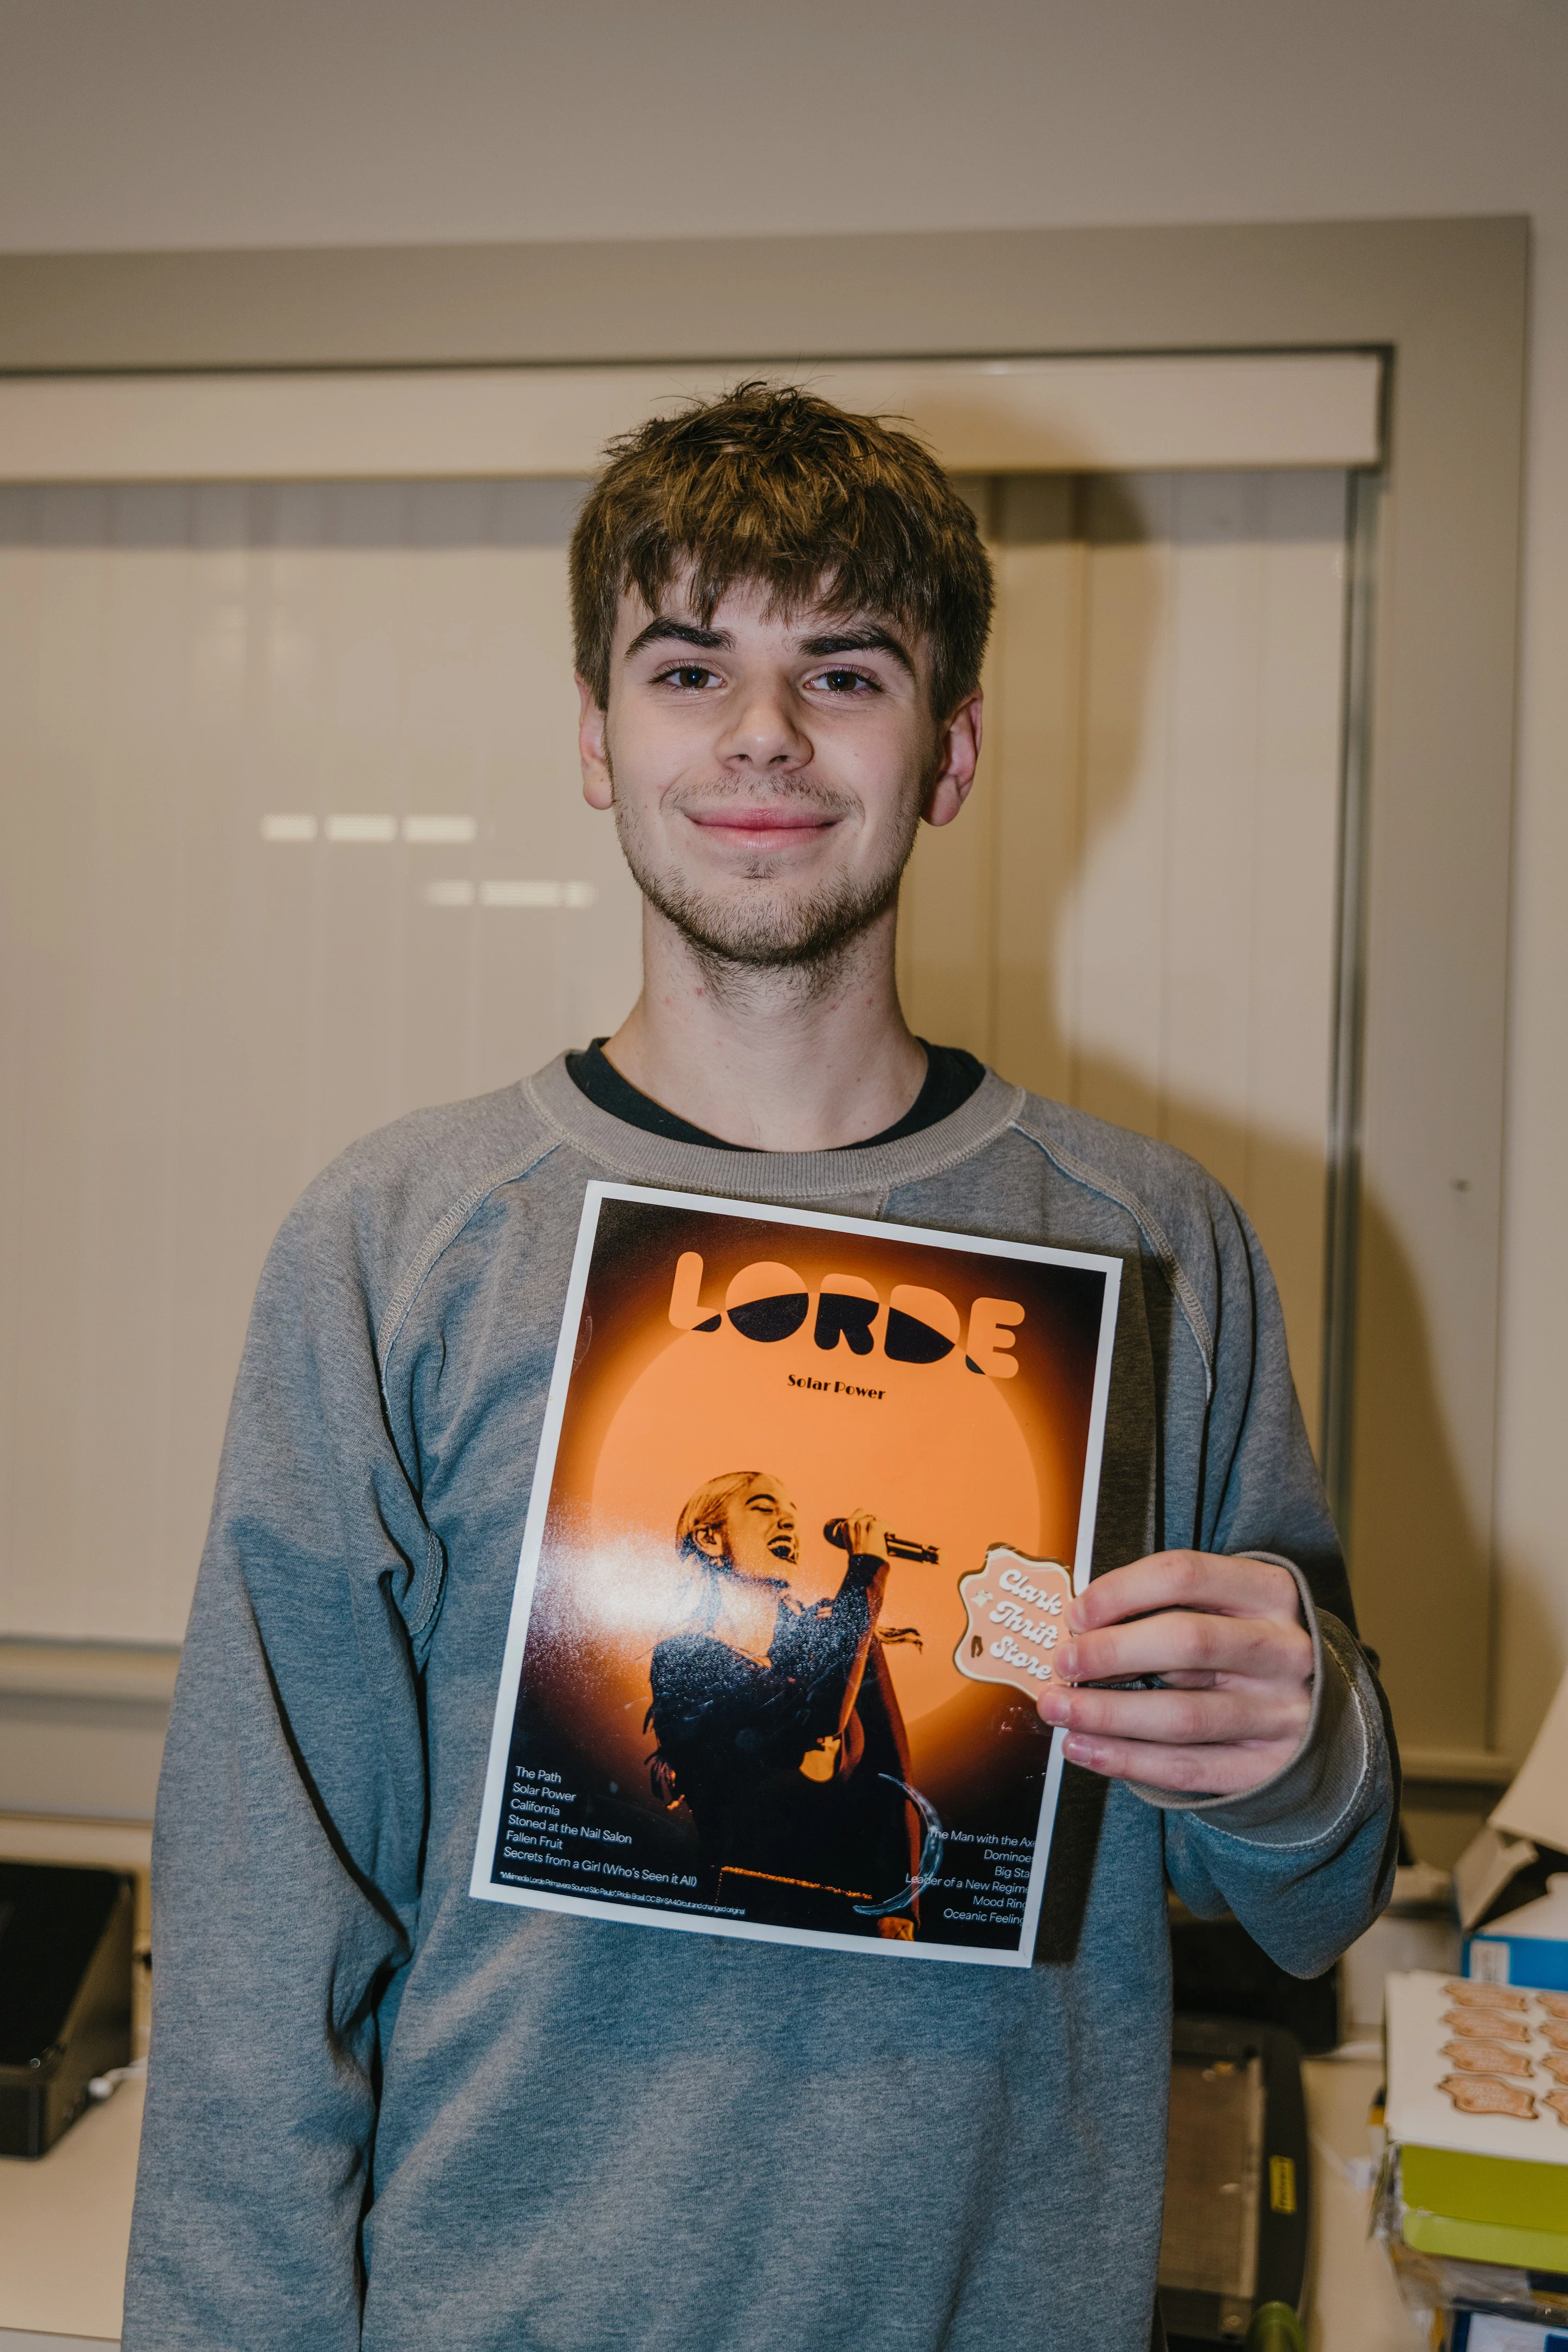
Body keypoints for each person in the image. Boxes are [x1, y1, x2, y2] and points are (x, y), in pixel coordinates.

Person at [124, 383, 1397, 2352]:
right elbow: (251, 1953)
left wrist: (1302, 1747)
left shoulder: (1159, 1244)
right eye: (689, 661)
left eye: (846, 669)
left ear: (952, 751)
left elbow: (1314, 1898)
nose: (762, 734)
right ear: (593, 735)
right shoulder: (395, 1243)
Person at [646, 1472, 923, 1934]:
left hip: (850, 1918)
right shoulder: (684, 1659)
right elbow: (816, 1718)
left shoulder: (845, 1644)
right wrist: (865, 1572)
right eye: (764, 1507)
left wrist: (900, 1906)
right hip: (741, 1910)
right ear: (711, 1538)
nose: (788, 1523)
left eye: (793, 1516)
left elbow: (893, 1778)